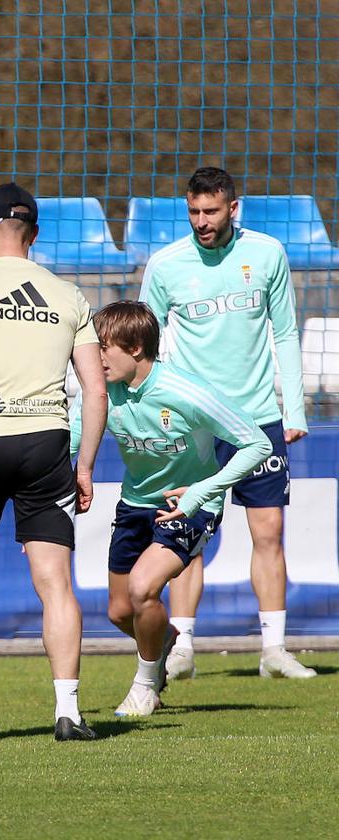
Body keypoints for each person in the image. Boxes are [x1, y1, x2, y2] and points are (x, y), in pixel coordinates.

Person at [0, 182, 107, 742]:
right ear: (33, 234)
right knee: (55, 582)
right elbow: (96, 392)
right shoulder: (70, 294)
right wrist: (84, 466)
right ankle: (70, 713)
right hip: (48, 443)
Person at [139, 166, 315, 680]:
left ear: (232, 208)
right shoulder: (165, 264)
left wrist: (295, 409)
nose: (201, 222)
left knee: (269, 531)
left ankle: (274, 651)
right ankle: (184, 648)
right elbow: (143, 344)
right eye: (192, 212)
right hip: (194, 425)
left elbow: (284, 334)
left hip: (258, 417)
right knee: (187, 532)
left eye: (210, 211)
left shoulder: (267, 254)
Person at [79, 301, 272, 716]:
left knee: (142, 588)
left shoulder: (187, 391)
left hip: (189, 506)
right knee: (119, 611)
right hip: (135, 504)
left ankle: (145, 686)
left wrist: (203, 490)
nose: (95, 357)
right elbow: (71, 440)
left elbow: (258, 443)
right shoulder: (102, 392)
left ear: (135, 349)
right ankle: (164, 640)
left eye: (103, 348)